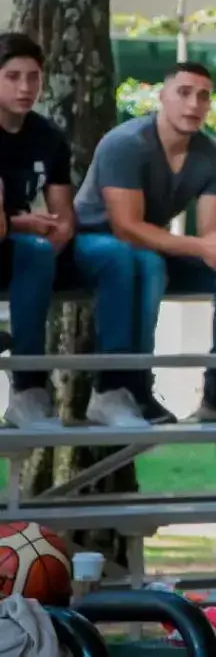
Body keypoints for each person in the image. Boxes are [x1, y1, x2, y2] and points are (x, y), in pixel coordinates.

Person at [72, 61, 216, 427]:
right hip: (93, 245)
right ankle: (127, 388)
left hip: (148, 249)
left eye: (203, 96)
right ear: (162, 96)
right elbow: (127, 228)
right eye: (184, 93)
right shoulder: (126, 143)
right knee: (146, 262)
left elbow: (213, 231)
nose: (194, 104)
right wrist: (201, 247)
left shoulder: (211, 153)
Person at [0, 33, 104, 429]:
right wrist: (21, 223)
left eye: (33, 77)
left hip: (24, 247)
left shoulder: (47, 136)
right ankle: (28, 384)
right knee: (34, 251)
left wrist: (57, 232)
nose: (25, 88)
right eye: (12, 77)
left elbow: (64, 215)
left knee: (117, 258)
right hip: (15, 239)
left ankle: (120, 387)